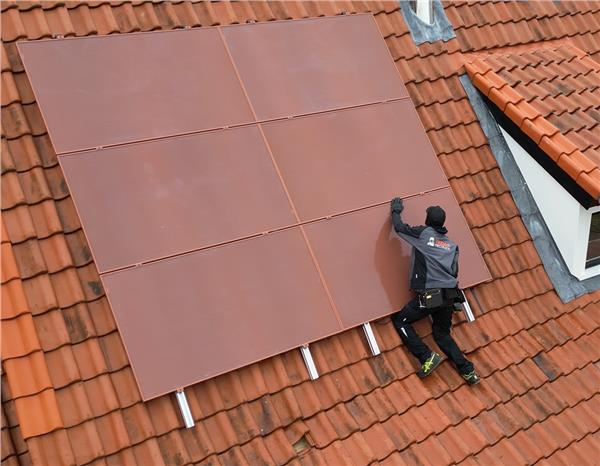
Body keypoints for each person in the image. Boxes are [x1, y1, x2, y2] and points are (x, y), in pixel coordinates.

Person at [390, 197, 480, 385]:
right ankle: (468, 371)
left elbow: (400, 228)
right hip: (449, 296)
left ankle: (426, 357)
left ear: (428, 221)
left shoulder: (424, 235)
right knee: (441, 334)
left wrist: (396, 211)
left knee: (401, 321)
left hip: (432, 295)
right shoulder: (451, 245)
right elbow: (454, 272)